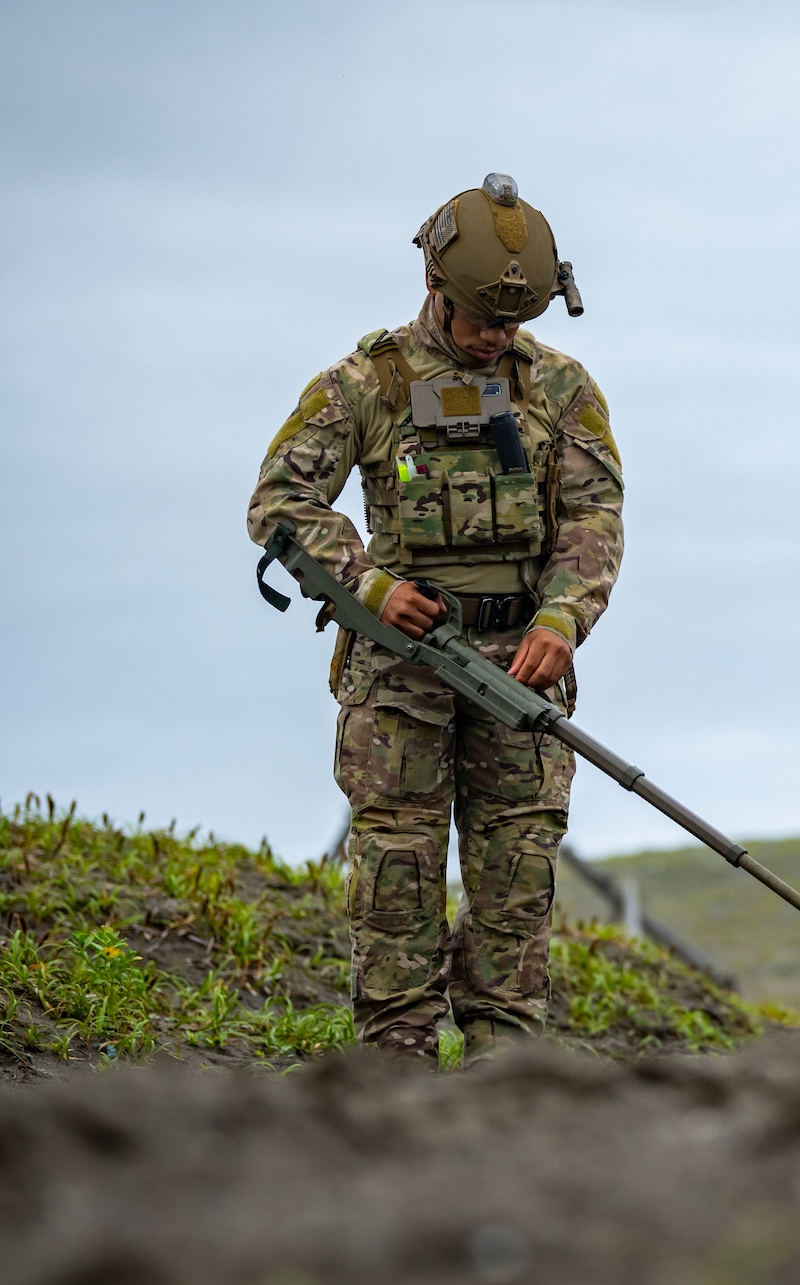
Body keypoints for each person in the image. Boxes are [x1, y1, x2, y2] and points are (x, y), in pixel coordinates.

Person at [247, 175, 624, 1062]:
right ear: (436, 292)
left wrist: (562, 619)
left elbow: (594, 518)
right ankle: (398, 1067)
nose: (497, 339)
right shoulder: (366, 384)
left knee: (518, 875)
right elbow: (281, 500)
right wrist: (370, 587)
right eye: (482, 321)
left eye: (512, 323)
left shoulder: (561, 389)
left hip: (522, 677)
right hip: (401, 679)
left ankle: (506, 1068)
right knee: (396, 879)